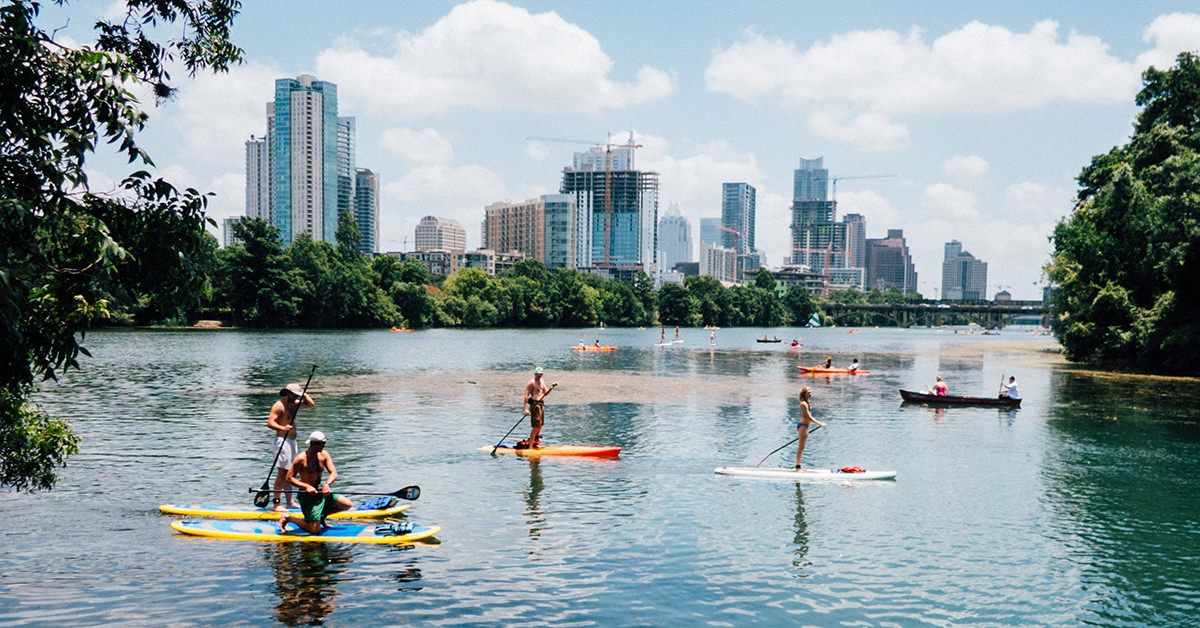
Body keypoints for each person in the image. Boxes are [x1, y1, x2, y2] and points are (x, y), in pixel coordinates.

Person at [279, 431, 352, 534]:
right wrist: (306, 486)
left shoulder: (324, 455)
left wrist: (327, 484)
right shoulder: (301, 458)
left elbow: (333, 473)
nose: (324, 446)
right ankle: (288, 518)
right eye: (322, 444)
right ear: (313, 444)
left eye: (325, 443)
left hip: (321, 491)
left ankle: (320, 518)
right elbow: (289, 478)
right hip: (307, 496)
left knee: (346, 504)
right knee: (315, 530)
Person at [266, 382, 314, 512]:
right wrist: (283, 427)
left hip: (292, 441)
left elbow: (310, 404)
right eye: (293, 394)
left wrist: (304, 394)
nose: (295, 397)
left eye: (296, 395)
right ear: (287, 393)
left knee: (290, 473)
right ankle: (276, 504)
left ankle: (290, 502)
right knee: (282, 473)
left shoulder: (295, 404)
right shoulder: (279, 406)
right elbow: (270, 422)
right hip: (282, 441)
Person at [523, 367, 558, 448]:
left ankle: (534, 440)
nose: (539, 376)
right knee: (535, 426)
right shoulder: (531, 383)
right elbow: (526, 395)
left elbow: (546, 393)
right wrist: (525, 408)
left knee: (540, 424)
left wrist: (552, 387)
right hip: (534, 405)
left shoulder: (542, 381)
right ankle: (530, 447)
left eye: (540, 374)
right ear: (534, 374)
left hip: (541, 404)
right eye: (537, 374)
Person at [794, 387, 827, 471]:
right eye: (809, 392)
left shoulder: (807, 403)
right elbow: (809, 417)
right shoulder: (803, 404)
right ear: (804, 394)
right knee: (801, 447)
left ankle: (799, 466)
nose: (810, 394)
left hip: (805, 426)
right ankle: (797, 467)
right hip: (803, 426)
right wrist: (820, 424)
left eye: (811, 392)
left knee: (802, 447)